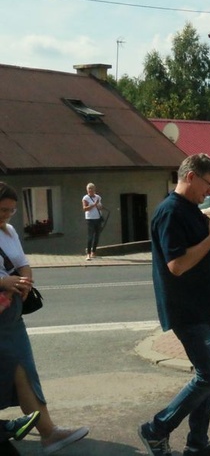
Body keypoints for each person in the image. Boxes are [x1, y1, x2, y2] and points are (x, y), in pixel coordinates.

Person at [139, 154, 210, 456]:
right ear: (192, 176)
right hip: (188, 309)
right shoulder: (170, 212)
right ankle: (156, 429)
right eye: (208, 185)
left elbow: (201, 249)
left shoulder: (192, 209)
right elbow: (177, 265)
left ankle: (197, 444)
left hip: (203, 306)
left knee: (207, 377)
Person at [0, 182, 89, 454]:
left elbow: (21, 261)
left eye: (12, 211)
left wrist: (26, 280)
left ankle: (46, 431)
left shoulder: (10, 231)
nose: (7, 215)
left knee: (19, 369)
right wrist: (5, 281)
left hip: (10, 308)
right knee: (22, 368)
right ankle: (48, 432)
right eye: (3, 210)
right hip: (3, 310)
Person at [82, 183, 103, 260]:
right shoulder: (85, 198)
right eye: (89, 189)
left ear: (94, 190)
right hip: (90, 219)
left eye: (92, 189)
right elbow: (85, 208)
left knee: (97, 236)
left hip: (98, 218)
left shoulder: (98, 197)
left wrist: (99, 206)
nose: (90, 191)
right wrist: (94, 205)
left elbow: (100, 207)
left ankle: (94, 252)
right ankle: (88, 254)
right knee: (90, 236)